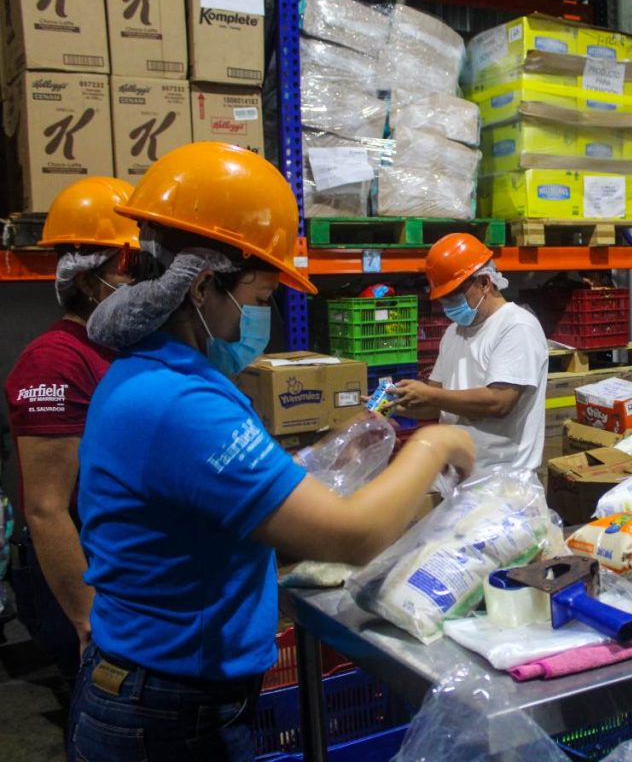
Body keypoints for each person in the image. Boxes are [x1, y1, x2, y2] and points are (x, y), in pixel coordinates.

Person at [68, 142, 474, 762]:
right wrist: (437, 442)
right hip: (168, 711)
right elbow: (351, 535)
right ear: (203, 285)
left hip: (162, 688)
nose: (261, 320)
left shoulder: (157, 375)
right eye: (258, 299)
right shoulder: (178, 402)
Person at [3, 177, 140, 683]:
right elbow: (45, 508)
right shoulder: (53, 362)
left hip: (115, 563)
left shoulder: (118, 348)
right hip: (74, 574)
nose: (142, 283)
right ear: (86, 281)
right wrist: (86, 619)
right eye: (127, 270)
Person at [387, 233, 548, 472]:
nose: (447, 305)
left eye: (453, 295)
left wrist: (429, 395)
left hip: (501, 479)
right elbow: (437, 403)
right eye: (442, 299)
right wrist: (396, 404)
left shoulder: (516, 326)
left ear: (484, 282)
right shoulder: (454, 332)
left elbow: (499, 402)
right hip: (457, 475)